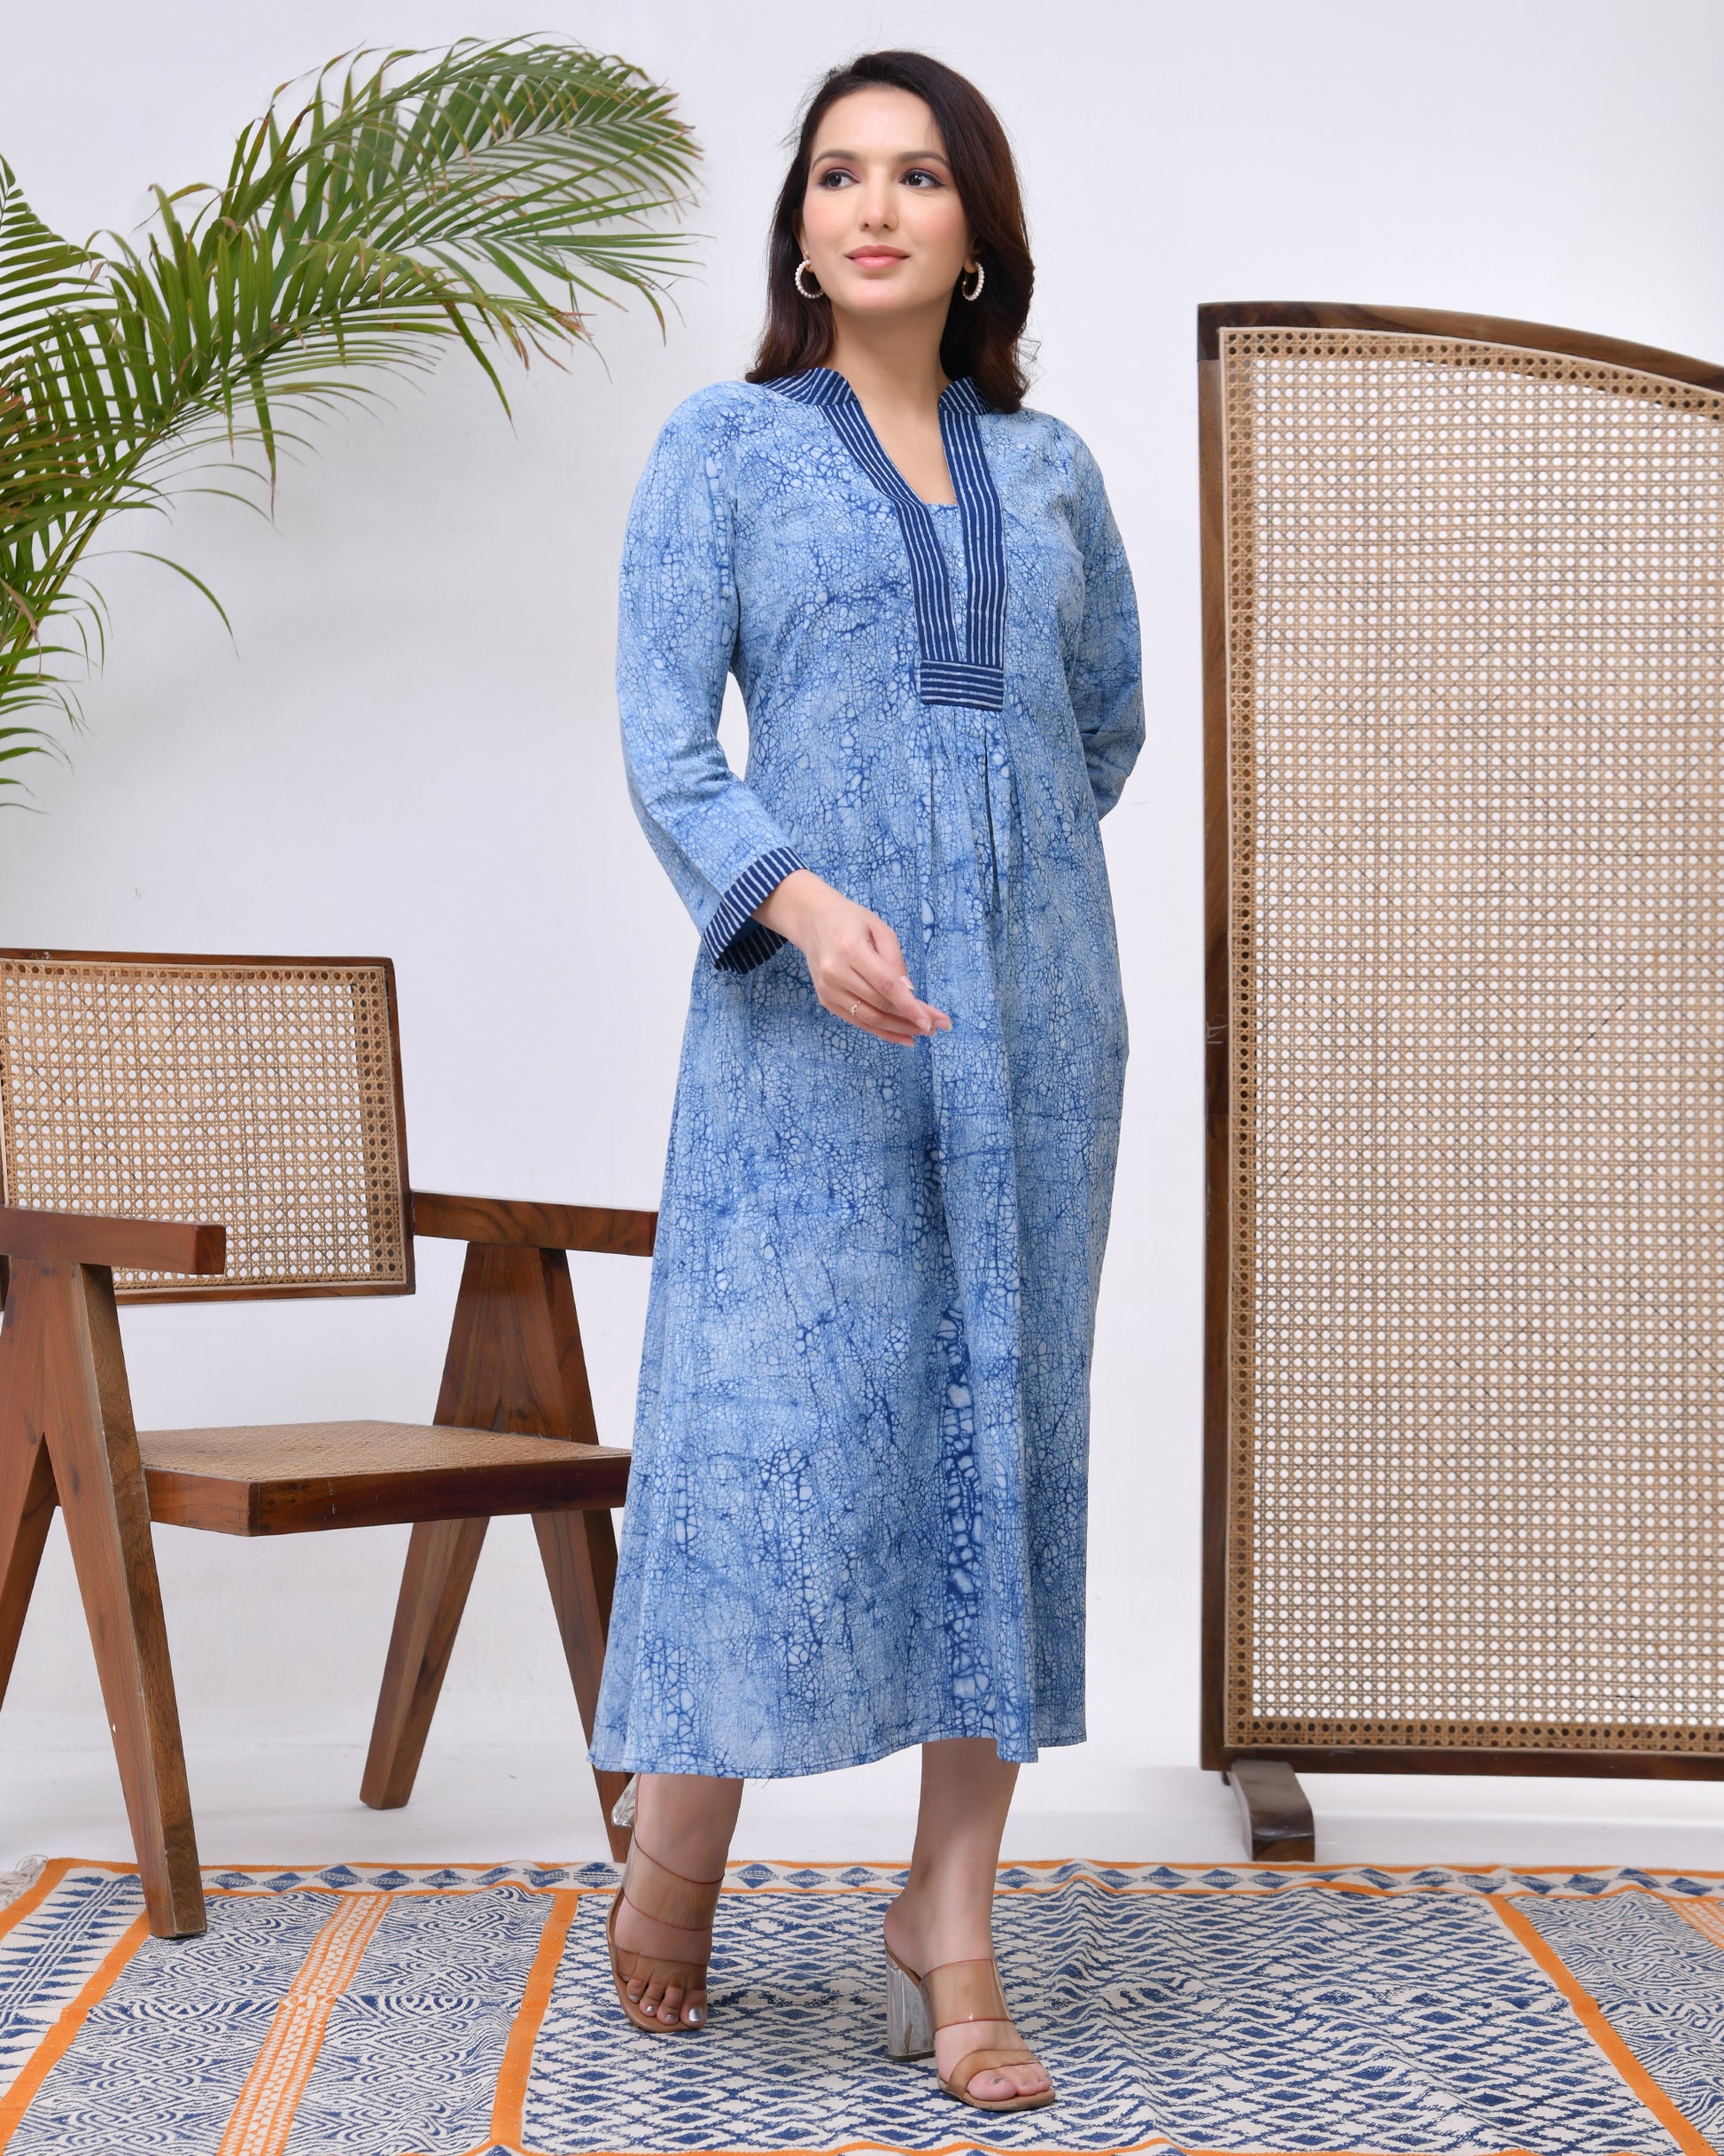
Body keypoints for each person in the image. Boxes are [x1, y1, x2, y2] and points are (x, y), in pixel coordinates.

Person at [590, 48, 1143, 2116]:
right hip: (795, 1030)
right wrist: (813, 901)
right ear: (800, 231)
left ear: (975, 229)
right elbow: (666, 743)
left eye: (916, 174)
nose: (876, 206)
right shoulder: (722, 449)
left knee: (1003, 1431)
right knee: (771, 1437)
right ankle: (680, 1830)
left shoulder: (1052, 468)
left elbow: (1098, 726)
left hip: (1031, 1032)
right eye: (838, 175)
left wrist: (991, 890)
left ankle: (950, 1914)